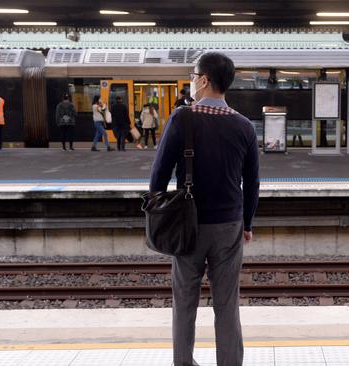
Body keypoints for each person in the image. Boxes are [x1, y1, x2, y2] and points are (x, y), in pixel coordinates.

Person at [149, 52, 259, 366]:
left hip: (186, 225)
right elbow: (252, 183)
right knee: (227, 303)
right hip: (229, 225)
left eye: (193, 74)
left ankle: (183, 362)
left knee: (184, 300)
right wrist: (247, 223)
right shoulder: (244, 126)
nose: (192, 79)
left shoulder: (182, 118)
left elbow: (159, 174)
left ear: (204, 79)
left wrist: (159, 214)